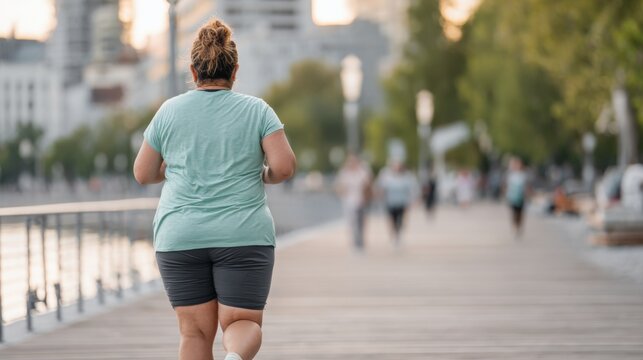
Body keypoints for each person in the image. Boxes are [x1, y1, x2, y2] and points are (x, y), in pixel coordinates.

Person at [133, 19, 296, 360]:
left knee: (194, 332)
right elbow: (284, 167)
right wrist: (262, 174)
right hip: (243, 234)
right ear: (235, 70)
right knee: (241, 321)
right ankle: (234, 357)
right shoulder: (257, 110)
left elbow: (143, 172)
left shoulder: (169, 111)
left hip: (180, 236)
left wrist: (173, 166)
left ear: (193, 71)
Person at [335, 154, 372, 253]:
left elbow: (368, 185)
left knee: (360, 222)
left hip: (361, 201)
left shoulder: (362, 172)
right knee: (351, 223)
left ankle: (360, 242)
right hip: (348, 201)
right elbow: (339, 187)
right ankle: (354, 242)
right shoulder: (344, 173)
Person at [377, 161, 418, 247]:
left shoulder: (406, 177)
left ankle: (398, 235)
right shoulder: (387, 176)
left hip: (402, 202)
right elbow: (382, 188)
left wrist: (413, 200)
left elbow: (411, 189)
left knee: (400, 220)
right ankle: (393, 235)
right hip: (390, 202)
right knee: (392, 220)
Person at [505, 158, 529, 238]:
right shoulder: (510, 175)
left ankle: (519, 226)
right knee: (514, 212)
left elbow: (526, 186)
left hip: (521, 197)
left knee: (520, 213)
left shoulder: (523, 175)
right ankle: (515, 226)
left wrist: (527, 194)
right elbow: (507, 186)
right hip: (512, 197)